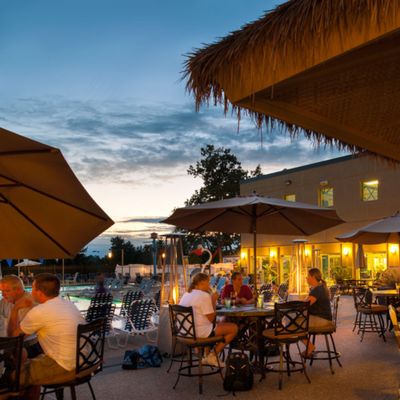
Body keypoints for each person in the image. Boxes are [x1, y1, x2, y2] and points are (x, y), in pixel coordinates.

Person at [10, 273, 85, 400]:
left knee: (14, 377)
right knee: (32, 361)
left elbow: (14, 336)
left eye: (32, 288)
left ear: (39, 292)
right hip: (83, 360)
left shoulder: (40, 311)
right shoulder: (68, 304)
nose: (30, 291)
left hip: (66, 366)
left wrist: (15, 309)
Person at [179, 272, 238, 367]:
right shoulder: (203, 295)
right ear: (201, 283)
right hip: (198, 333)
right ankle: (212, 355)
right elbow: (211, 319)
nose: (209, 285)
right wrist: (213, 301)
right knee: (233, 328)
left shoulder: (186, 294)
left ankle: (206, 355)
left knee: (219, 323)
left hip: (184, 333)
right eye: (208, 282)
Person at [303, 268, 334, 356]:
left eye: (308, 276)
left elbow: (305, 305)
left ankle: (310, 346)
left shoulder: (317, 290)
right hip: (323, 318)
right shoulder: (319, 287)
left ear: (313, 277)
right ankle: (309, 346)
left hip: (323, 321)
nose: (306, 278)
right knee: (295, 320)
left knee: (294, 324)